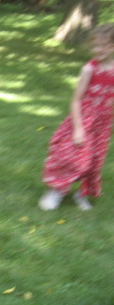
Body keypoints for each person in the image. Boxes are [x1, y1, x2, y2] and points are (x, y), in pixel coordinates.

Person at [39, 23, 114, 211]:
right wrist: (79, 129)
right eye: (94, 46)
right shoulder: (90, 69)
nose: (97, 50)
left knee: (95, 161)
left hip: (103, 123)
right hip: (84, 120)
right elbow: (75, 101)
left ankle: (82, 193)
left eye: (102, 46)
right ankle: (56, 191)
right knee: (74, 157)